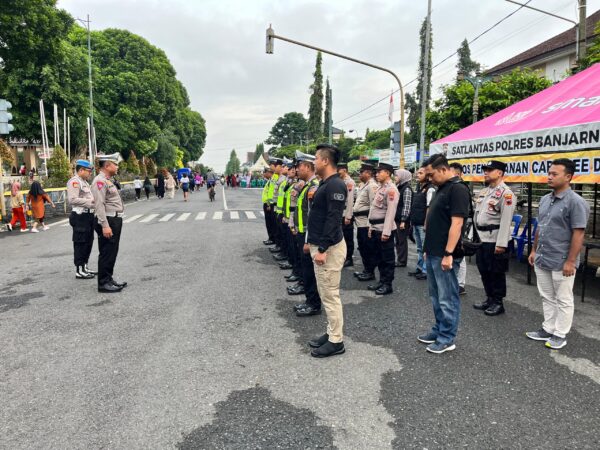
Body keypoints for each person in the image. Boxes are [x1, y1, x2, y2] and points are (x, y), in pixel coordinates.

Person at [526, 158, 590, 350]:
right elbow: (540, 227)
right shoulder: (545, 199)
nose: (549, 177)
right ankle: (548, 327)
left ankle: (560, 334)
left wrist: (571, 261)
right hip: (543, 256)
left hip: (561, 259)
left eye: (555, 174)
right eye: (549, 173)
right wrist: (534, 250)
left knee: (563, 298)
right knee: (546, 295)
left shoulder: (576, 202)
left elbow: (578, 233)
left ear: (568, 177)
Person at [417, 154, 470, 354]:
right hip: (432, 252)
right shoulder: (441, 188)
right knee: (436, 296)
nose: (429, 179)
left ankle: (447, 337)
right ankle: (439, 329)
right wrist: (426, 250)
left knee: (447, 297)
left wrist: (448, 253)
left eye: (431, 175)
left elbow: (457, 224)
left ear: (443, 169)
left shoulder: (458, 189)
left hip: (445, 253)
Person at [306, 144, 347, 358]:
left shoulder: (336, 185)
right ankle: (332, 332)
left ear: (325, 161)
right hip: (321, 245)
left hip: (329, 248)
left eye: (315, 158)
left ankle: (336, 341)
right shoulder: (325, 183)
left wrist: (322, 248)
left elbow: (333, 219)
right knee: (325, 293)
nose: (313, 162)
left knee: (330, 295)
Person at [472, 160, 516, 316]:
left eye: (490, 170)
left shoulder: (506, 193)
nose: (486, 172)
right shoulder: (484, 191)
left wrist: (502, 243)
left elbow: (506, 220)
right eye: (485, 169)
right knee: (483, 270)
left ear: (499, 173)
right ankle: (489, 298)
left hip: (495, 239)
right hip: (482, 238)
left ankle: (498, 302)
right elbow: (477, 216)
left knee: (496, 272)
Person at [91, 153, 127, 293]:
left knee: (112, 251)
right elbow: (99, 205)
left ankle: (109, 279)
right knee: (106, 252)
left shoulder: (108, 180)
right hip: (108, 220)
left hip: (114, 219)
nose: (117, 167)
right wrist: (105, 225)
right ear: (107, 165)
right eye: (115, 164)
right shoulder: (99, 181)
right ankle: (103, 283)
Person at [292, 152, 322, 316]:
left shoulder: (313, 186)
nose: (297, 169)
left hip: (307, 235)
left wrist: (308, 240)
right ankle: (309, 300)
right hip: (302, 232)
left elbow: (312, 216)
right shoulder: (306, 185)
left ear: (309, 167)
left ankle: (314, 304)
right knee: (306, 270)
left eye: (300, 166)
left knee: (310, 271)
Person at [366, 162, 399, 295]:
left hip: (384, 230)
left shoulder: (391, 189)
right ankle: (381, 281)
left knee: (387, 259)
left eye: (380, 172)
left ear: (387, 173)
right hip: (376, 228)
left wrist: (386, 232)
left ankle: (387, 284)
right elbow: (373, 209)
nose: (377, 174)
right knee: (378, 257)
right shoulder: (380, 188)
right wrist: (370, 227)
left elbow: (391, 213)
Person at [66, 159, 97, 279]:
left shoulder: (84, 182)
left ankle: (85, 266)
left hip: (88, 216)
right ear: (81, 170)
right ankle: (79, 269)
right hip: (80, 216)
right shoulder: (74, 182)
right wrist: (90, 202)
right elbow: (72, 199)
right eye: (88, 171)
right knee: (80, 243)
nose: (90, 173)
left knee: (88, 242)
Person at [353, 163, 379, 281]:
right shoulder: (365, 185)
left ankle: (370, 272)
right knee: (362, 248)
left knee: (368, 249)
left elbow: (373, 207)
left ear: (368, 173)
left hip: (365, 223)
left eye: (361, 172)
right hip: (360, 223)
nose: (359, 174)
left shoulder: (372, 186)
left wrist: (370, 225)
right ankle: (366, 269)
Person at [409, 167, 435, 280]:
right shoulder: (419, 188)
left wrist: (426, 224)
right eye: (417, 173)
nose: (417, 175)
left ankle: (425, 270)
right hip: (416, 222)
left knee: (425, 249)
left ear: (427, 175)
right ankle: (420, 268)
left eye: (421, 173)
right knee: (419, 248)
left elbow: (429, 208)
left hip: (423, 224)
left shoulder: (430, 189)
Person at [450, 162, 472, 295]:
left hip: (462, 226)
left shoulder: (461, 188)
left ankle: (460, 284)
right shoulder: (453, 186)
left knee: (460, 256)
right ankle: (457, 282)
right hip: (458, 225)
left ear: (457, 173)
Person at [337, 163, 355, 267]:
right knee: (341, 237)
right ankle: (343, 257)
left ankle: (349, 258)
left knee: (348, 237)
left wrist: (348, 216)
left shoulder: (349, 182)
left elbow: (350, 200)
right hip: (340, 213)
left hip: (345, 214)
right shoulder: (340, 181)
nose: (337, 172)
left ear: (344, 170)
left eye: (339, 170)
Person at [394, 168, 413, 268]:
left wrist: (403, 220)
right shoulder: (399, 187)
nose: (395, 177)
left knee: (401, 241)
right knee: (397, 240)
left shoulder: (406, 189)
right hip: (397, 218)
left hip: (402, 220)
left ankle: (402, 261)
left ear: (403, 177)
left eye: (397, 176)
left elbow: (407, 205)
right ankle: (399, 259)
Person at [261, 167, 276, 245]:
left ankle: (272, 238)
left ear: (269, 172)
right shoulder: (270, 180)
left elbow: (271, 194)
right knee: (268, 222)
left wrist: (269, 204)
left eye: (265, 172)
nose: (264, 174)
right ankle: (271, 238)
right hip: (267, 204)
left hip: (269, 205)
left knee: (270, 223)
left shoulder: (273, 180)